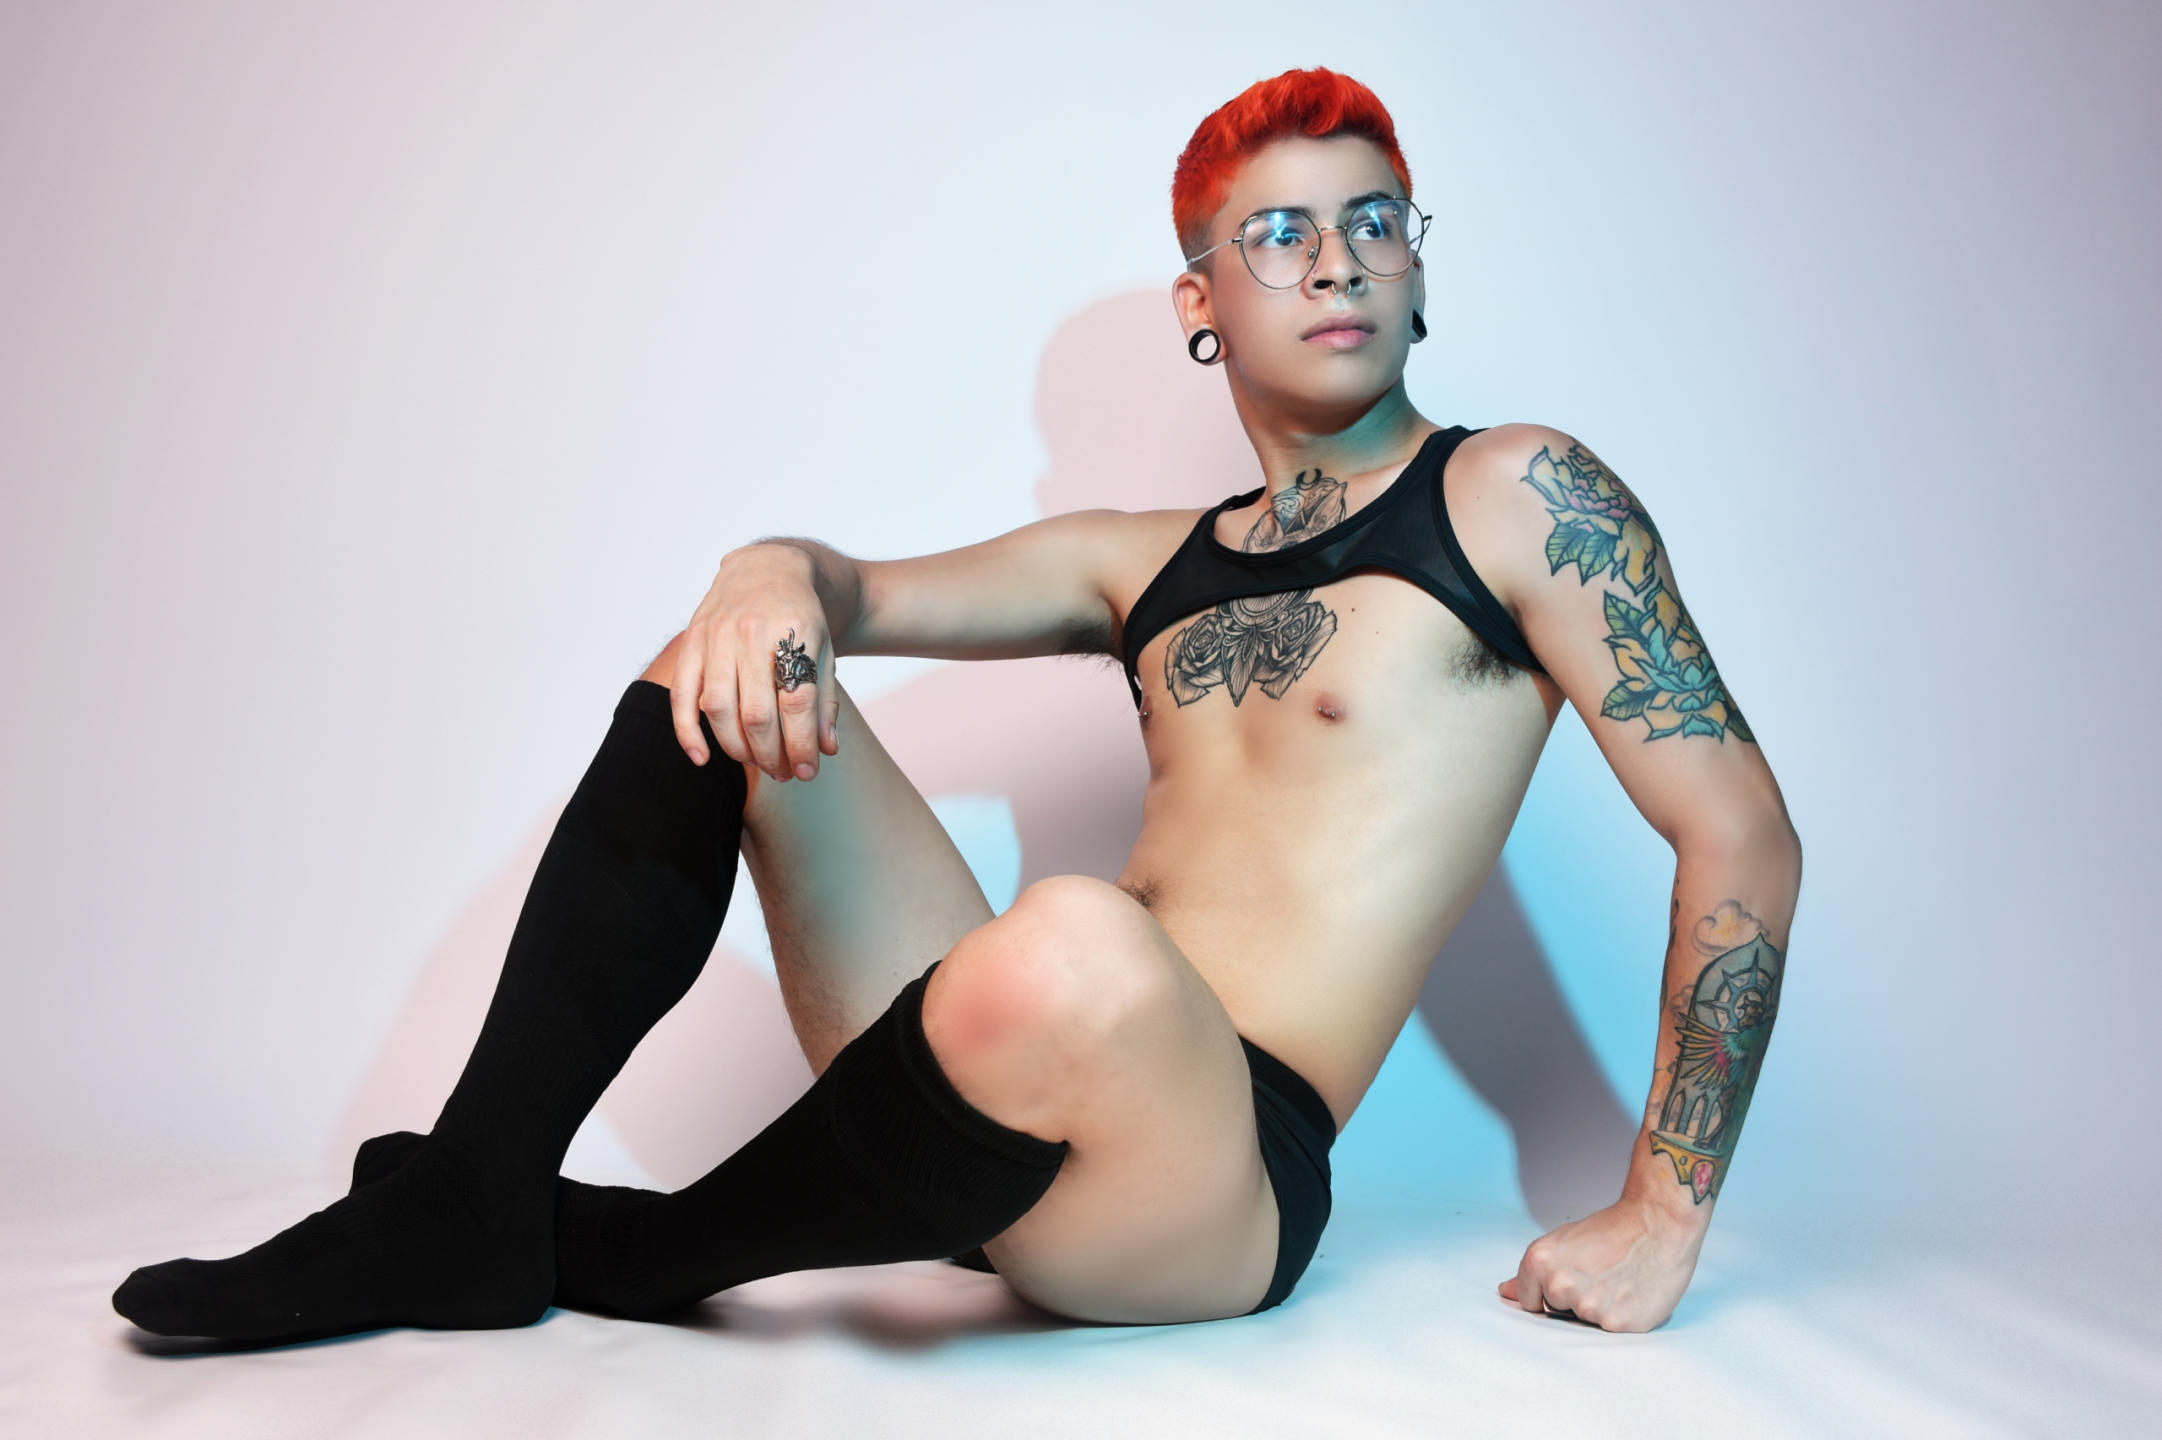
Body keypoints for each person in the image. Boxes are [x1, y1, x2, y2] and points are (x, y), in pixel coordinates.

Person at [111, 65, 1801, 1344]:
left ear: (1417, 272)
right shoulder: (1140, 560)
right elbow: (841, 590)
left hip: (1210, 1193)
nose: (1336, 262)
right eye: (1279, 234)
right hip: (999, 1097)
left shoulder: (1517, 496)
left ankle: (637, 1248)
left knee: (1076, 941)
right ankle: (476, 1196)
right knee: (726, 672)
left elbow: (1737, 832)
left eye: (1374, 222)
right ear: (1201, 303)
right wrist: (765, 571)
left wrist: (1662, 1217)